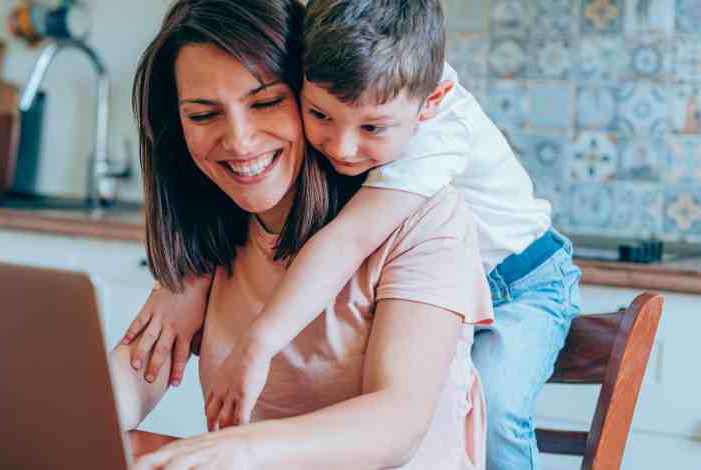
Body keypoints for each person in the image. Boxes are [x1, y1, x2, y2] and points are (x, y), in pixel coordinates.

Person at [124, 1, 583, 468]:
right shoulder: (221, 227)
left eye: (265, 102)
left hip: (527, 271)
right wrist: (177, 282)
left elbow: (397, 416)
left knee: (500, 405)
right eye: (202, 116)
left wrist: (255, 361)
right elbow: (127, 381)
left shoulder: (419, 189)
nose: (344, 147)